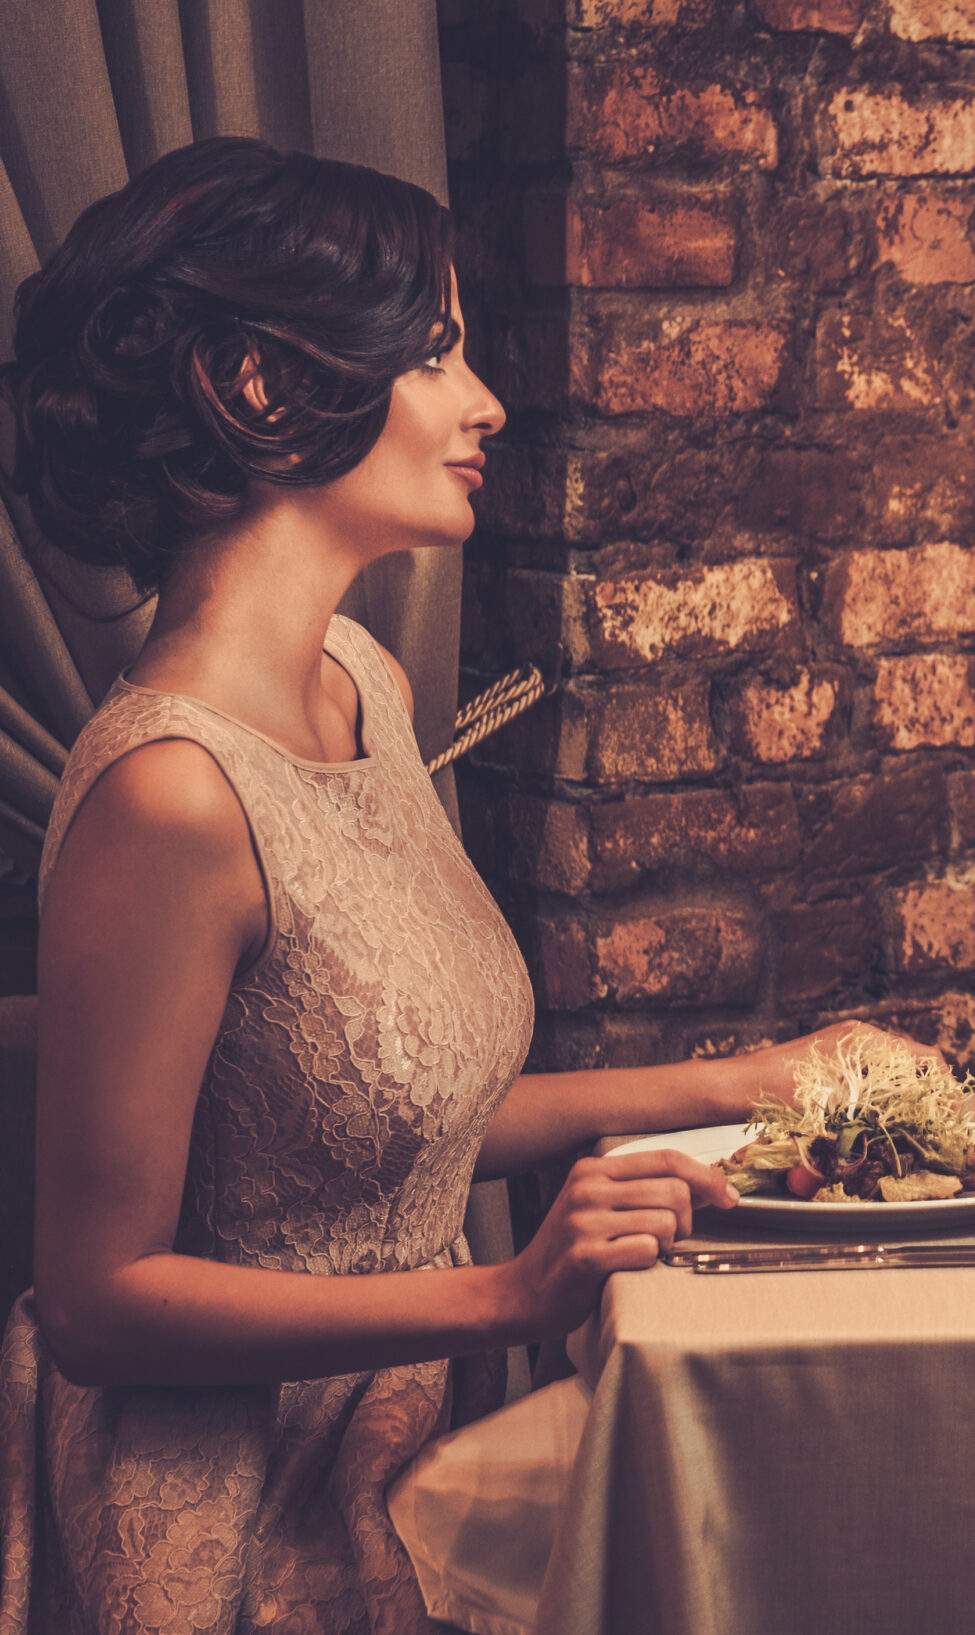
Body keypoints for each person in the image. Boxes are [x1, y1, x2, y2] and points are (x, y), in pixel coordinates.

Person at [0, 138, 927, 1634]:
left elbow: (372, 1123)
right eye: (433, 351)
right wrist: (505, 1296)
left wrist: (749, 1076)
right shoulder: (166, 791)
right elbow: (101, 1299)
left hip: (397, 1454)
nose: (483, 399)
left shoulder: (359, 682)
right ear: (257, 386)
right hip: (228, 1526)